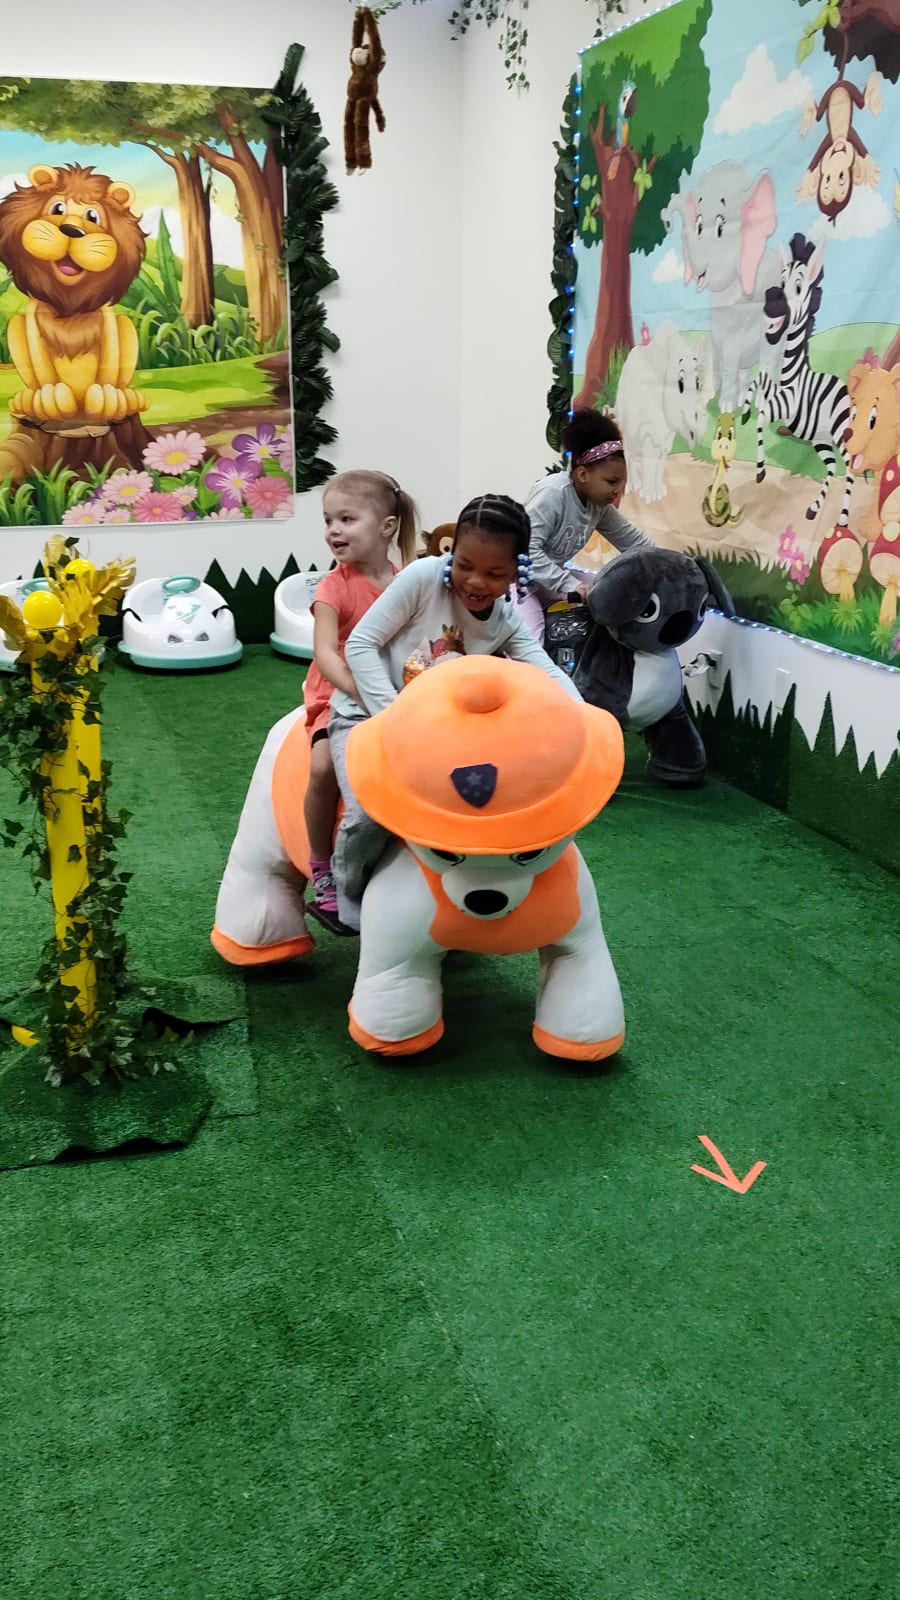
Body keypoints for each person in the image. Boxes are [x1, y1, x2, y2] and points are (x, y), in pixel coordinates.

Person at [327, 493, 583, 932]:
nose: (475, 581)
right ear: (452, 555)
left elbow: (546, 672)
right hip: (366, 716)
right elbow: (361, 644)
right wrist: (392, 716)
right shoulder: (424, 578)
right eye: (464, 565)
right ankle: (345, 887)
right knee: (370, 813)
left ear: (517, 570)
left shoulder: (505, 619)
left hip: (437, 735)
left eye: (495, 573)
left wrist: (586, 718)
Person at [303, 469, 417, 933]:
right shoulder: (334, 586)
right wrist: (358, 689)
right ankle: (321, 865)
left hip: (394, 693)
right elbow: (325, 654)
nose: (333, 530)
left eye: (346, 519)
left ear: (387, 527)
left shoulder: (405, 581)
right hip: (337, 692)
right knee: (322, 769)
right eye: (328, 520)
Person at [525, 409, 655, 611]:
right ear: (583, 474)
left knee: (609, 596)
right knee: (531, 632)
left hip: (548, 582)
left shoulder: (598, 505)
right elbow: (526, 551)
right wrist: (570, 584)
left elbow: (634, 543)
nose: (617, 490)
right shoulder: (552, 493)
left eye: (621, 482)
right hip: (518, 583)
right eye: (611, 481)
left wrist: (674, 565)